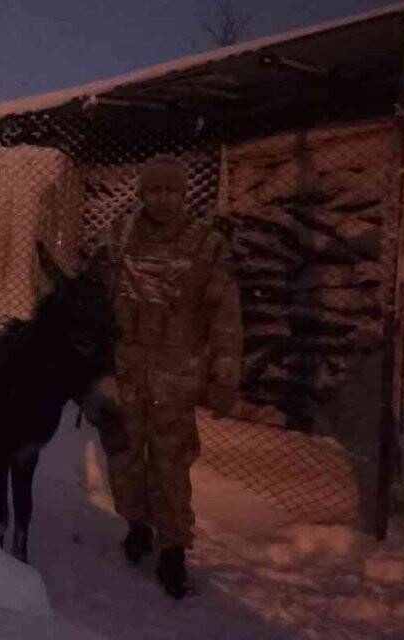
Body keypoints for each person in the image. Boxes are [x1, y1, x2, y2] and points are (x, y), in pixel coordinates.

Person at [103, 157, 242, 599]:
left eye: (172, 191)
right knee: (124, 456)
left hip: (174, 377)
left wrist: (225, 374)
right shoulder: (120, 238)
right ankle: (137, 525)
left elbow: (226, 316)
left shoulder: (206, 245)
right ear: (142, 194)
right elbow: (93, 301)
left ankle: (174, 549)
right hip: (124, 371)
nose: (164, 199)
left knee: (170, 465)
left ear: (185, 196)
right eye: (155, 191)